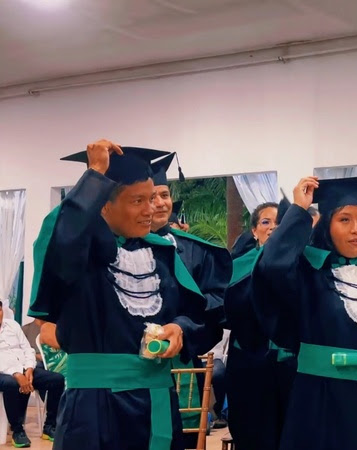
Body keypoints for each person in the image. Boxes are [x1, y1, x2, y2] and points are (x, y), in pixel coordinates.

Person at [29, 140, 212, 450]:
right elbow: (65, 239)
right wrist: (95, 174)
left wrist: (179, 327)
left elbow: (197, 312)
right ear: (103, 205)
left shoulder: (162, 253)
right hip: (93, 407)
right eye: (137, 200)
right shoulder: (81, 255)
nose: (150, 210)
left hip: (156, 403)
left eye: (152, 198)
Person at [252, 175, 357, 450]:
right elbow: (271, 266)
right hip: (321, 405)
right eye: (344, 220)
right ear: (327, 226)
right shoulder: (309, 273)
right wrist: (299, 210)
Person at [149, 152, 231, 447]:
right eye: (150, 197)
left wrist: (184, 322)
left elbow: (218, 302)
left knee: (176, 437)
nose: (160, 203)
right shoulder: (112, 249)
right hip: (126, 362)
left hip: (181, 359)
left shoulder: (196, 250)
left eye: (164, 195)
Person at [225, 201, 295, 450]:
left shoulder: (300, 264)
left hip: (291, 364)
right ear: (254, 231)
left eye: (280, 222)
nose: (273, 227)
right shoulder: (237, 267)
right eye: (266, 222)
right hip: (250, 363)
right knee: (253, 433)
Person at [0, 303, 65, 447]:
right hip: (4, 372)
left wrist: (29, 368)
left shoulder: (12, 326)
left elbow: (27, 349)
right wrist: (16, 373)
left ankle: (49, 426)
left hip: (24, 368)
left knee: (57, 379)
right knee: (12, 383)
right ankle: (17, 431)